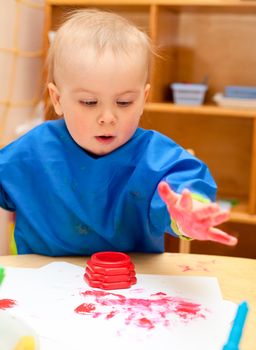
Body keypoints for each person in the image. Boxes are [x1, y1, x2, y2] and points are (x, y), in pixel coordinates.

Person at [0, 9, 237, 256]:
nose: (108, 118)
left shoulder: (155, 157)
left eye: (124, 102)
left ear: (143, 98)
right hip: (44, 284)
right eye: (89, 102)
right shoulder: (32, 151)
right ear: (57, 99)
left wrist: (188, 215)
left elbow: (185, 189)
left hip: (133, 286)